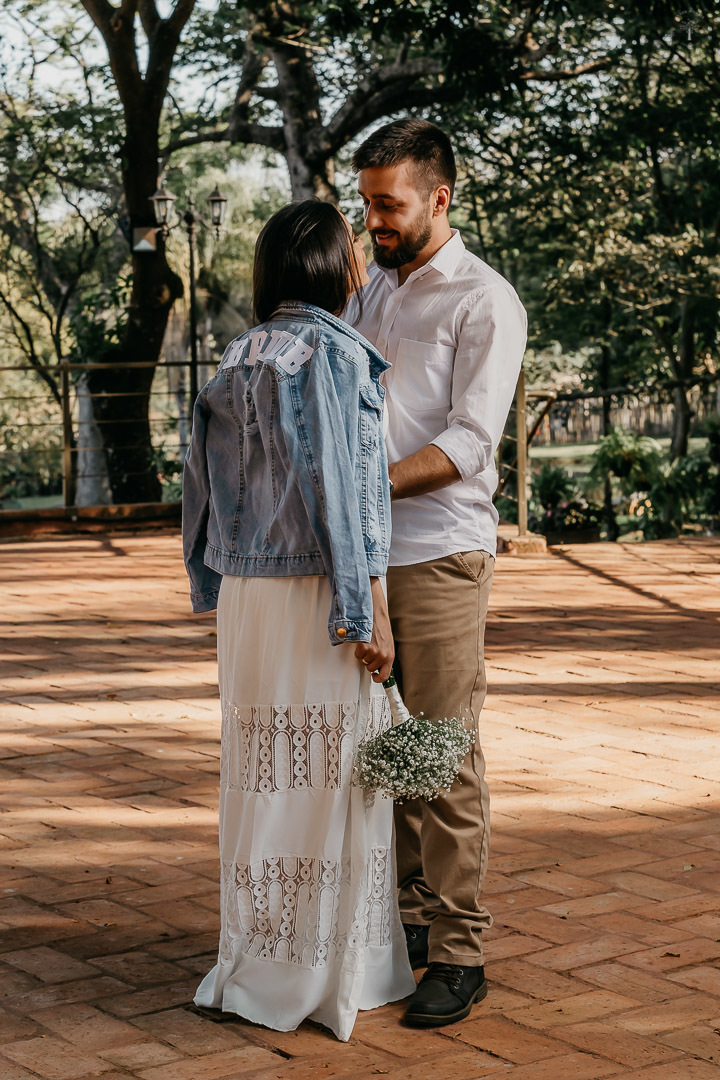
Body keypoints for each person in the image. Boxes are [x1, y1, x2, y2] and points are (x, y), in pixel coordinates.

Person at [182, 199, 415, 1042]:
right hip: (319, 589)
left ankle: (262, 956)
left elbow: (198, 487)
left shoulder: (241, 351)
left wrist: (210, 583)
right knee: (330, 776)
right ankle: (325, 972)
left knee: (262, 773)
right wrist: (368, 611)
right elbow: (345, 498)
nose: (361, 259)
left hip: (249, 598)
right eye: (351, 248)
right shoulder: (332, 351)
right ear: (329, 264)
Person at [347, 118, 527, 1028]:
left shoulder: (485, 301)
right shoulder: (367, 290)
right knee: (385, 748)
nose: (373, 219)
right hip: (363, 560)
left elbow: (466, 441)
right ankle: (409, 927)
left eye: (389, 203)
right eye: (366, 201)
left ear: (440, 198)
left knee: (443, 754)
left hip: (440, 554)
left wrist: (361, 484)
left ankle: (459, 953)